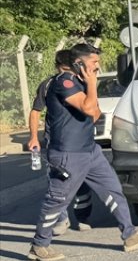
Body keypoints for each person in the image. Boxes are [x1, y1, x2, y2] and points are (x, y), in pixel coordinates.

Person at [28, 44, 138, 261]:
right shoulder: (65, 82)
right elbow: (90, 109)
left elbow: (94, 113)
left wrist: (90, 87)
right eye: (94, 63)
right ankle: (39, 245)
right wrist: (91, 84)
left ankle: (130, 235)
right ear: (79, 63)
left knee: (113, 189)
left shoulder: (80, 83)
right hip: (68, 154)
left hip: (90, 151)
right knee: (57, 199)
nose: (97, 67)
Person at [27, 70, 93, 233]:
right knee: (57, 181)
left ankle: (82, 217)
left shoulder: (82, 83)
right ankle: (61, 219)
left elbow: (91, 108)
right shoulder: (48, 85)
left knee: (81, 181)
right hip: (55, 142)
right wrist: (34, 137)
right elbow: (36, 111)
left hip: (78, 142)